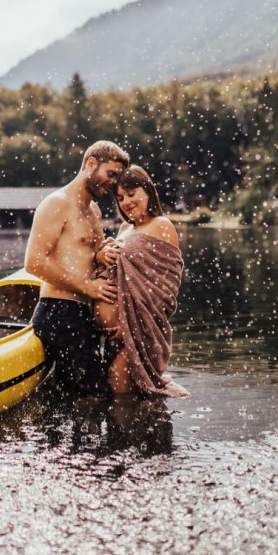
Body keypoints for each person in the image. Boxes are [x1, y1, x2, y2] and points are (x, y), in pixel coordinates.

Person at [24, 140, 130, 396]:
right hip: (59, 313)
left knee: (85, 397)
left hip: (84, 314)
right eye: (111, 174)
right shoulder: (57, 203)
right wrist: (87, 287)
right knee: (93, 396)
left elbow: (81, 256)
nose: (114, 183)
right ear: (91, 164)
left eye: (118, 177)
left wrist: (101, 255)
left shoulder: (93, 210)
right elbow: (34, 262)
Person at [93, 165, 189, 398]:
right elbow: (114, 265)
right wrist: (100, 254)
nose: (126, 202)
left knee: (122, 394)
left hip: (136, 331)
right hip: (115, 333)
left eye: (132, 193)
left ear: (147, 191)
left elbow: (163, 289)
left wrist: (129, 324)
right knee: (118, 394)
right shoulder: (126, 227)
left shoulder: (161, 225)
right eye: (120, 198)